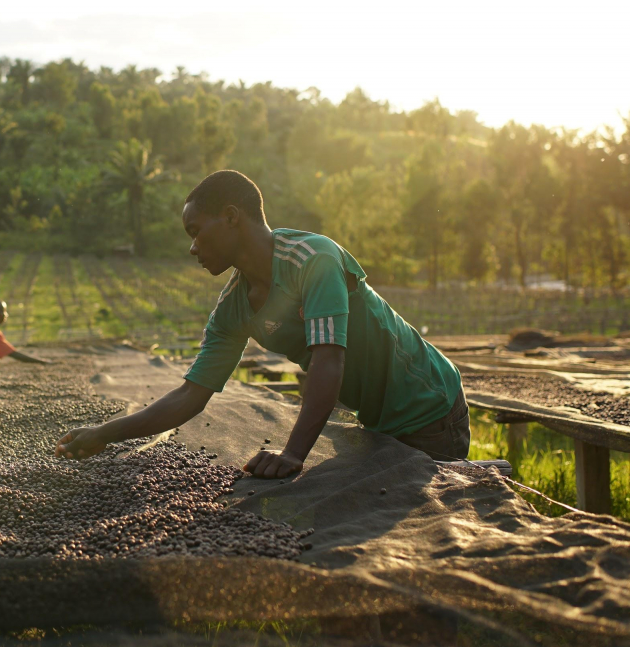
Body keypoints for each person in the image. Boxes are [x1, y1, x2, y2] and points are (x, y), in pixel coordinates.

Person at [55, 170, 469, 477]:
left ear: (232, 216)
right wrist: (106, 433)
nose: (192, 248)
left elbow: (329, 362)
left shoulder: (313, 259)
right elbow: (189, 396)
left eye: (196, 232)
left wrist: (292, 454)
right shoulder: (233, 308)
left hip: (429, 408)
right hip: (379, 418)